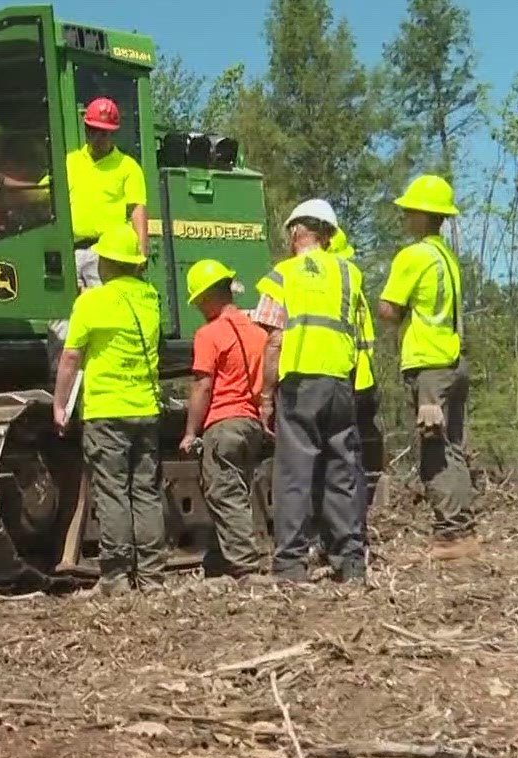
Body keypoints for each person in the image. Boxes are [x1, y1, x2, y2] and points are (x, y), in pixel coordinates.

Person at [250, 198, 367, 584]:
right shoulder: (350, 274)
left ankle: (290, 565)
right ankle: (350, 563)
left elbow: (273, 341)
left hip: (300, 382)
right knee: (342, 471)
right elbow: (359, 331)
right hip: (339, 380)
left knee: (295, 473)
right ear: (328, 234)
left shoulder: (283, 275)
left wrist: (266, 396)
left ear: (297, 231)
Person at [52, 222, 164, 593]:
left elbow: (71, 356)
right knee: (145, 491)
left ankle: (115, 576)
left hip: (107, 410)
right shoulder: (150, 298)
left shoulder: (91, 302)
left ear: (106, 263)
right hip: (146, 408)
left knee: (113, 491)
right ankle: (151, 575)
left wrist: (60, 403)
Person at [377, 173, 476, 556]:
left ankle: (450, 533)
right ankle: (462, 529)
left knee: (435, 450)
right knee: (452, 446)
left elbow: (389, 309)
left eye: (409, 211)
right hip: (452, 359)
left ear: (422, 214)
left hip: (429, 366)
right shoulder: (447, 258)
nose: (405, 217)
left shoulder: (414, 256)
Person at [28, 97, 148, 347]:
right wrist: (6, 189)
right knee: (62, 317)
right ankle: (60, 373)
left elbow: (137, 209)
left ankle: (100, 367)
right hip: (70, 251)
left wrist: (142, 253)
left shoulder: (127, 167)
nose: (98, 137)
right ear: (85, 129)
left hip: (105, 254)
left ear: (113, 133)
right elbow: (41, 193)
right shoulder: (69, 162)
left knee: (105, 314)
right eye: (93, 131)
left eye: (104, 133)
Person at [178, 259, 269, 577]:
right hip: (251, 423)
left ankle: (245, 569)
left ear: (208, 296)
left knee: (223, 493)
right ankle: (218, 563)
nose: (200, 308)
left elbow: (203, 385)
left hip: (223, 424)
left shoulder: (209, 334)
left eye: (200, 301)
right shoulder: (258, 332)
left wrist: (191, 431)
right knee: (237, 491)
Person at [328, 228, 384, 510]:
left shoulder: (332, 290)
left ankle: (348, 517)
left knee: (342, 458)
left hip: (346, 379)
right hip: (363, 379)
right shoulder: (355, 289)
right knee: (352, 455)